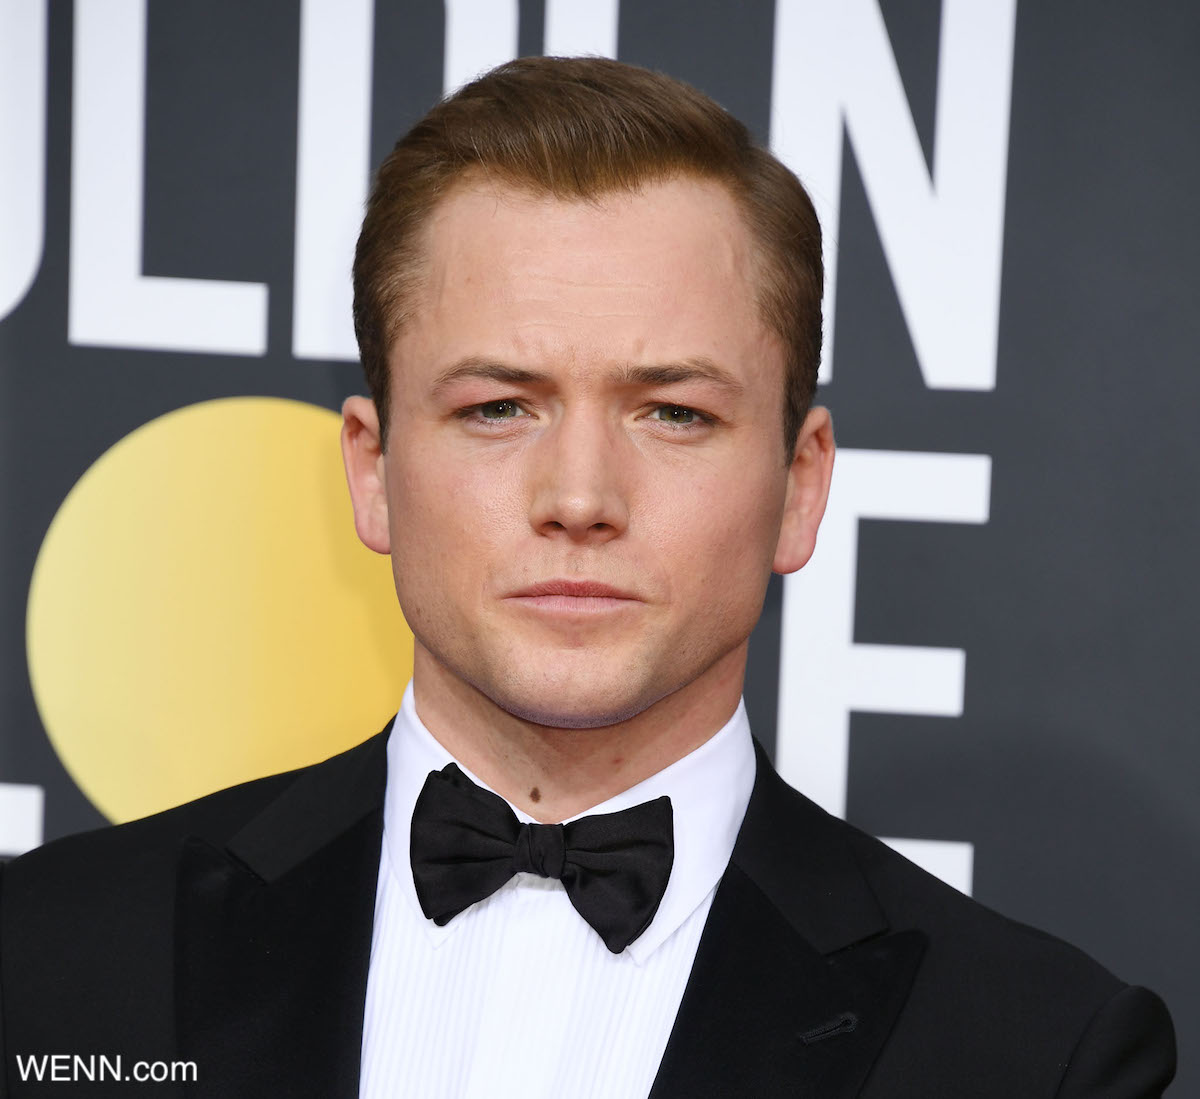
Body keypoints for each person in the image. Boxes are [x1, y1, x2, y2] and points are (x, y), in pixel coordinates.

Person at [0, 56, 1176, 1097]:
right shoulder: (47, 959)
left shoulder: (1033, 1056)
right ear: (372, 468)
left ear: (800, 483)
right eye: (497, 406)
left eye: (672, 411)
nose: (578, 496)